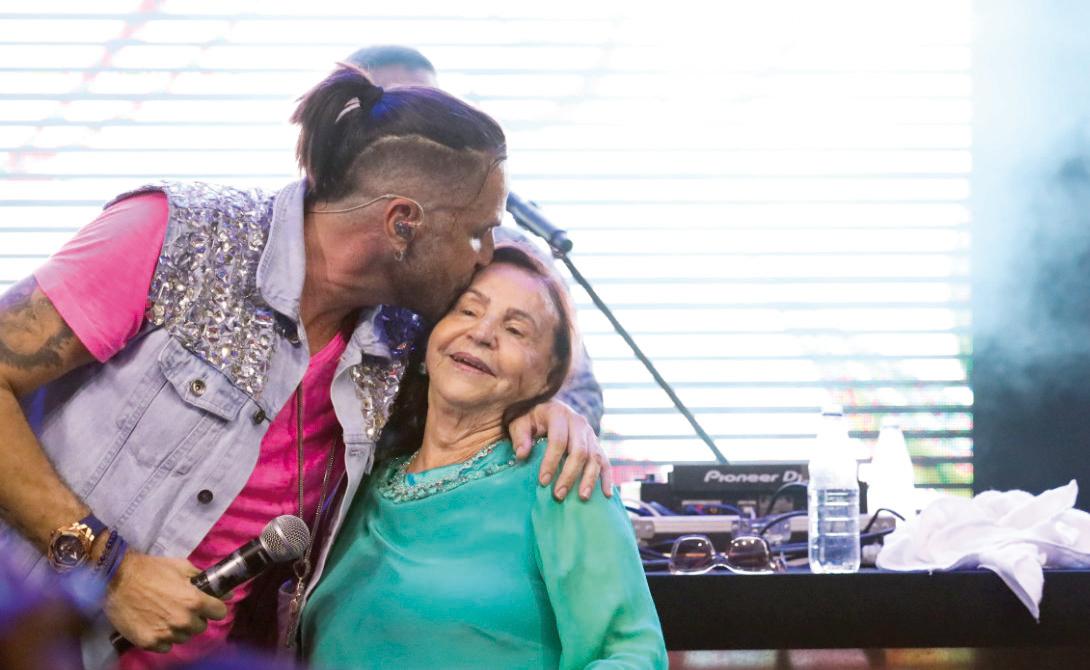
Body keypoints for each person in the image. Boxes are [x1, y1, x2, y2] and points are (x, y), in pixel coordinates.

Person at [0, 65, 611, 669]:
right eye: (478, 233)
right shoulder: (177, 236)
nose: (484, 257)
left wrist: (557, 412)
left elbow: (512, 352)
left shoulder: (401, 333)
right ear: (404, 222)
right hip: (37, 641)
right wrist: (110, 568)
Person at [303, 245, 667, 668]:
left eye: (516, 330)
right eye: (467, 311)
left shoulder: (558, 474)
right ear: (428, 342)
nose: (481, 333)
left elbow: (630, 652)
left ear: (546, 377)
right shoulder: (361, 475)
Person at [345, 44, 605, 431]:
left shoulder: (509, 251)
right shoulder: (330, 249)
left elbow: (579, 396)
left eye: (431, 112)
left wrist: (538, 421)